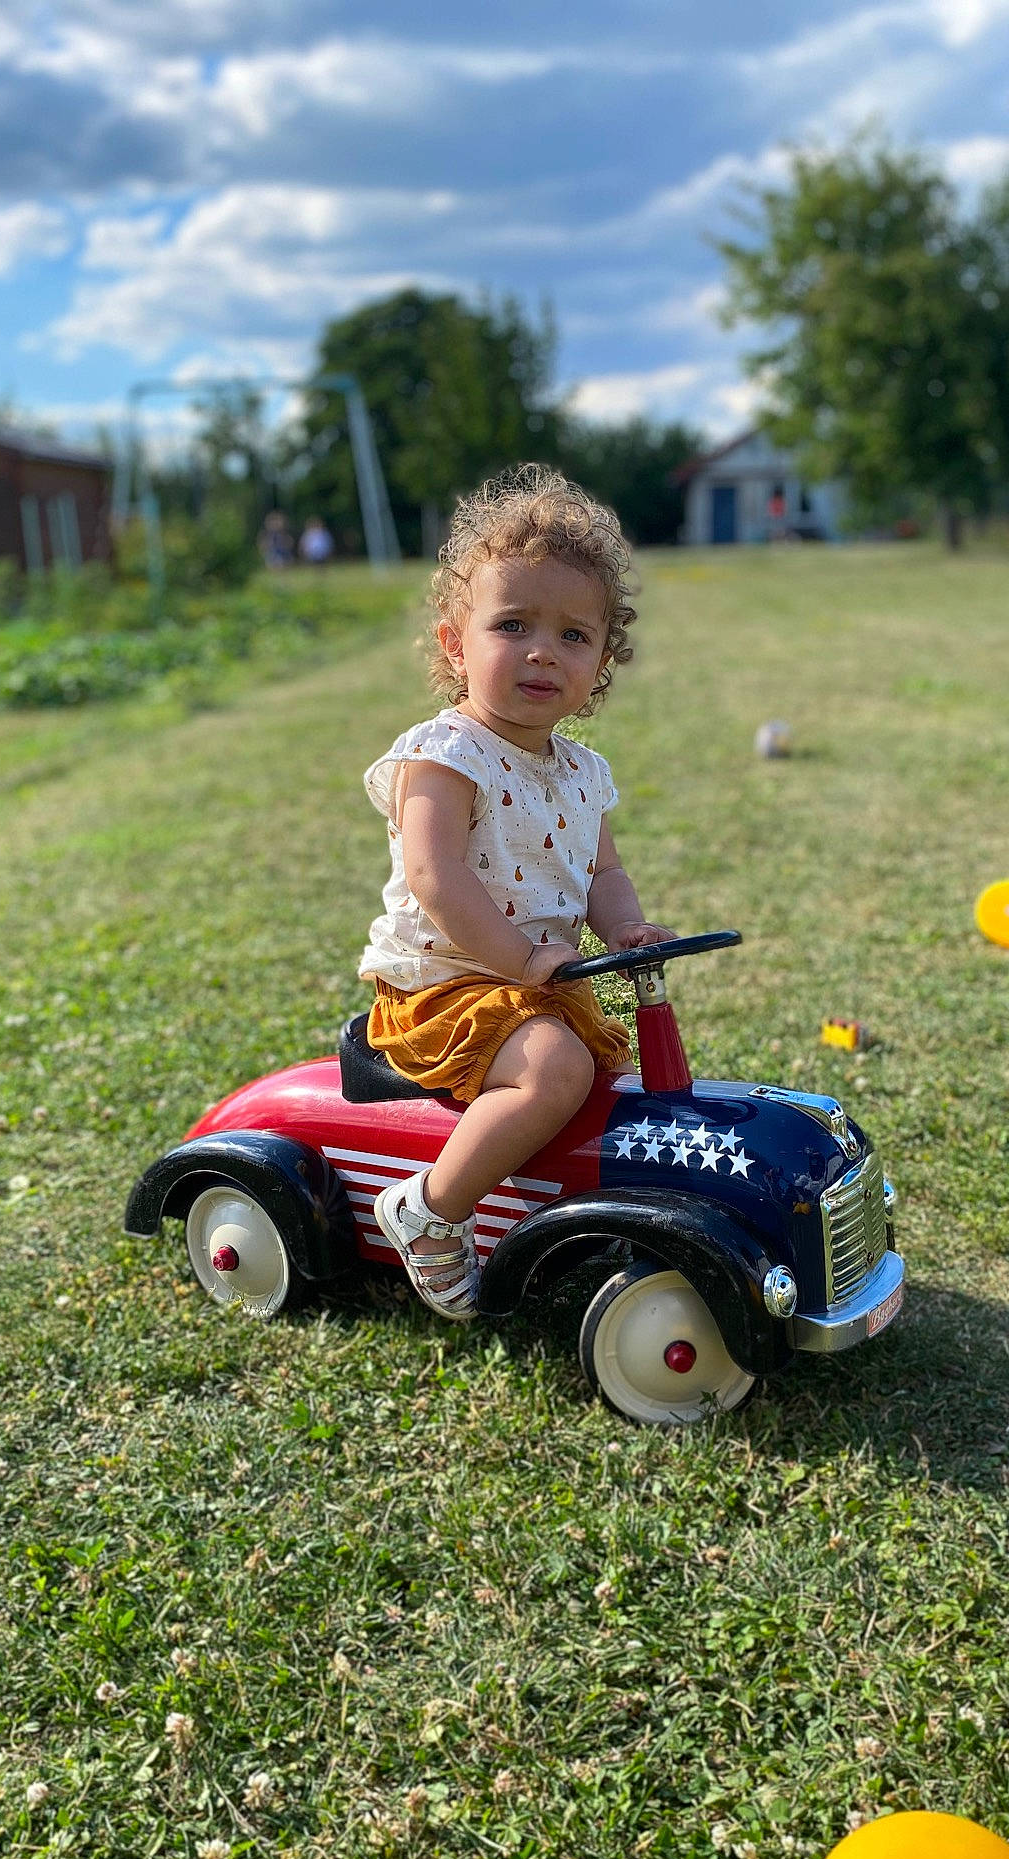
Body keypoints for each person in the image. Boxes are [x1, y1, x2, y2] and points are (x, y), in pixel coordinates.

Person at [358, 465, 674, 1320]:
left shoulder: (583, 772)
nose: (543, 650)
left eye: (574, 636)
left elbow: (603, 873)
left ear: (601, 662)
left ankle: (561, 1206)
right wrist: (520, 960)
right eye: (513, 625)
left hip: (537, 981)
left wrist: (628, 927)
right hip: (446, 984)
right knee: (557, 1070)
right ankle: (431, 1211)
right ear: (456, 643)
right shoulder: (444, 753)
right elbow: (436, 877)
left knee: (607, 1076)